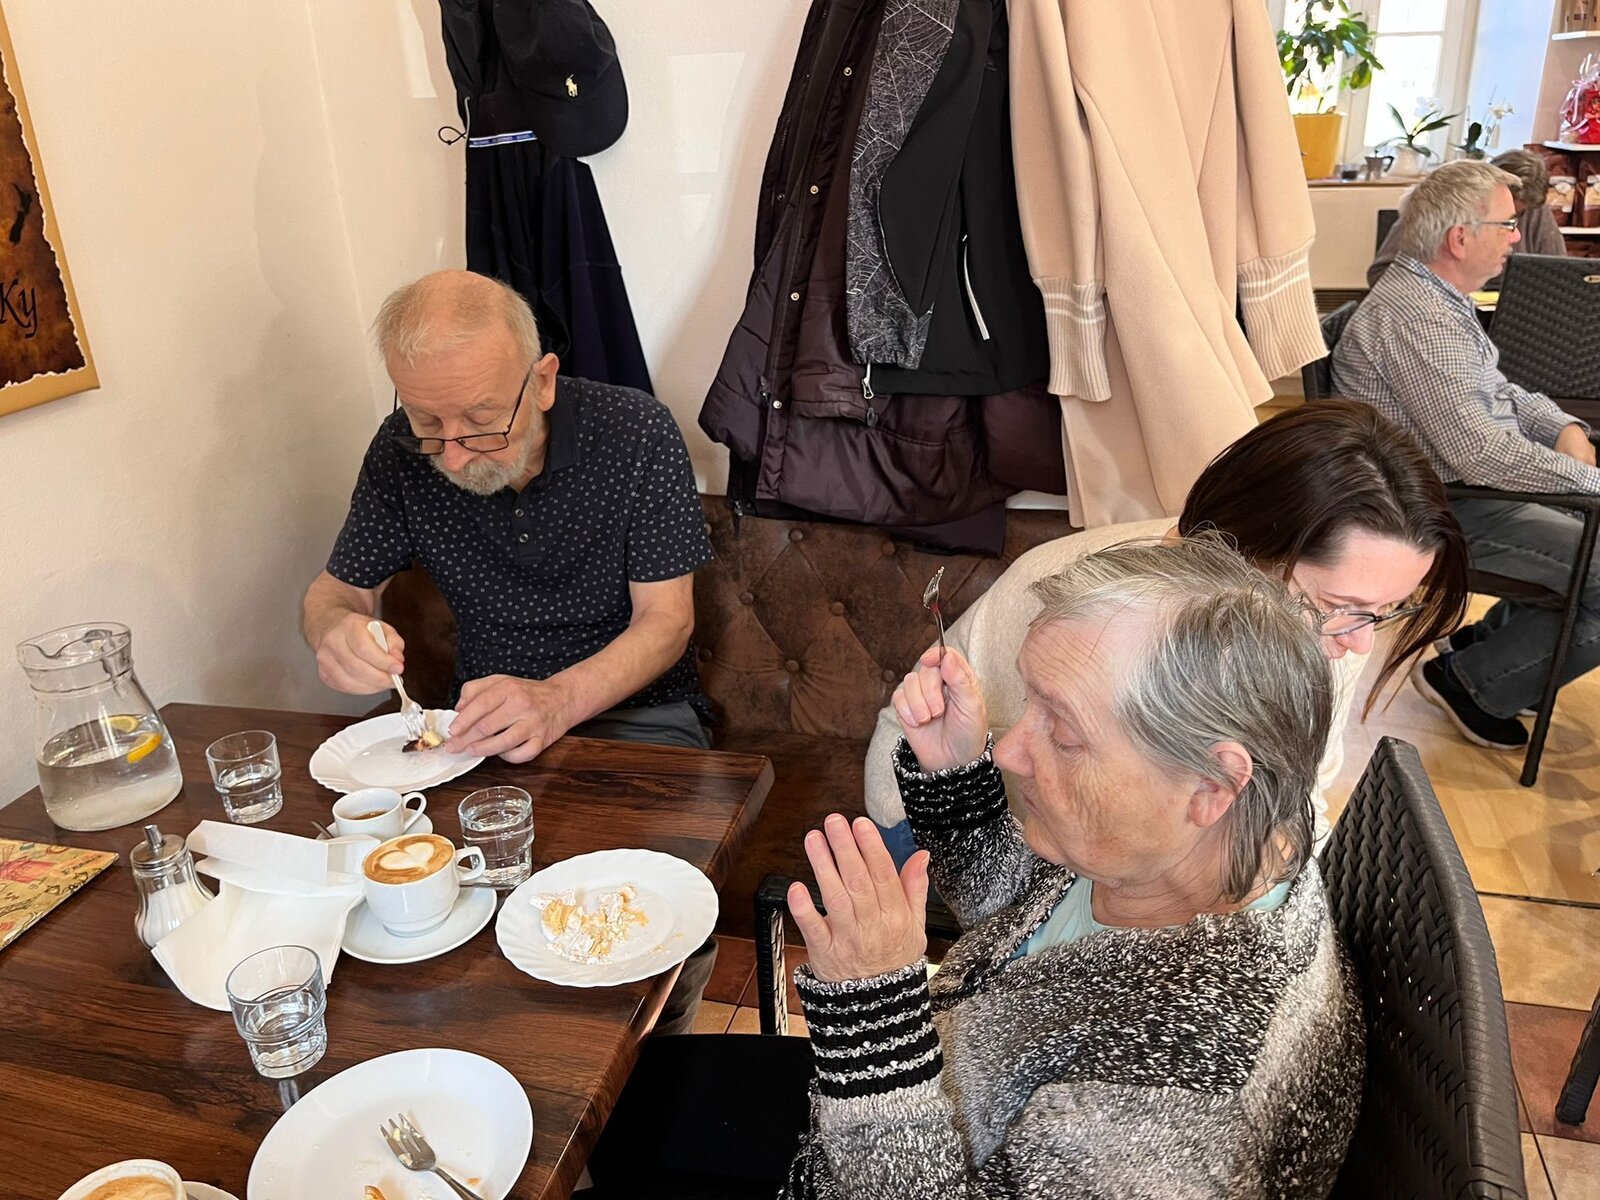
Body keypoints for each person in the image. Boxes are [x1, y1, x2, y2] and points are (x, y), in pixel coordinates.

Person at [583, 538, 1363, 1198]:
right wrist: (956, 781)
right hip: (920, 1086)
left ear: (1212, 785)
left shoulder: (1184, 1102)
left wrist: (875, 1015)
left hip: (889, 1133)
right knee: (628, 1101)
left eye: (1063, 731)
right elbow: (1022, 927)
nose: (1011, 749)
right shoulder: (1193, 849)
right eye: (1029, 705)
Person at [302, 268, 717, 1033]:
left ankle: (655, 1051)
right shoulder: (398, 450)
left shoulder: (636, 432)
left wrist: (556, 700)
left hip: (643, 724)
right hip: (479, 732)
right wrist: (336, 631)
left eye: (483, 421)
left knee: (632, 938)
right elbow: (334, 594)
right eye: (428, 423)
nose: (455, 455)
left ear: (544, 380)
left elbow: (667, 622)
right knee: (427, 930)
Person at [866, 400, 1468, 862]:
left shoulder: (1331, 630)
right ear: (1242, 552)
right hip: (953, 821)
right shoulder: (1097, 619)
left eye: (1386, 611)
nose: (1360, 643)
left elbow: (1298, 800)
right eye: (1342, 607)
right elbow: (1070, 854)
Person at [1332, 160, 1600, 751]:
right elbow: (1481, 453)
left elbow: (1498, 392)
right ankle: (1475, 684)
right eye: (1507, 224)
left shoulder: (1435, 298)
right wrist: (1587, 480)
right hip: (1436, 509)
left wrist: (1561, 425)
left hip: (1456, 491)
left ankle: (1489, 654)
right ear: (1460, 238)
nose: (1517, 236)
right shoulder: (1419, 317)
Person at [1367, 148, 1565, 288]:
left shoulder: (1535, 209)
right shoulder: (1440, 204)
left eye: (1516, 214)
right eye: (1501, 207)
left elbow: (1560, 274)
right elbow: (1382, 274)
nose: (1515, 234)